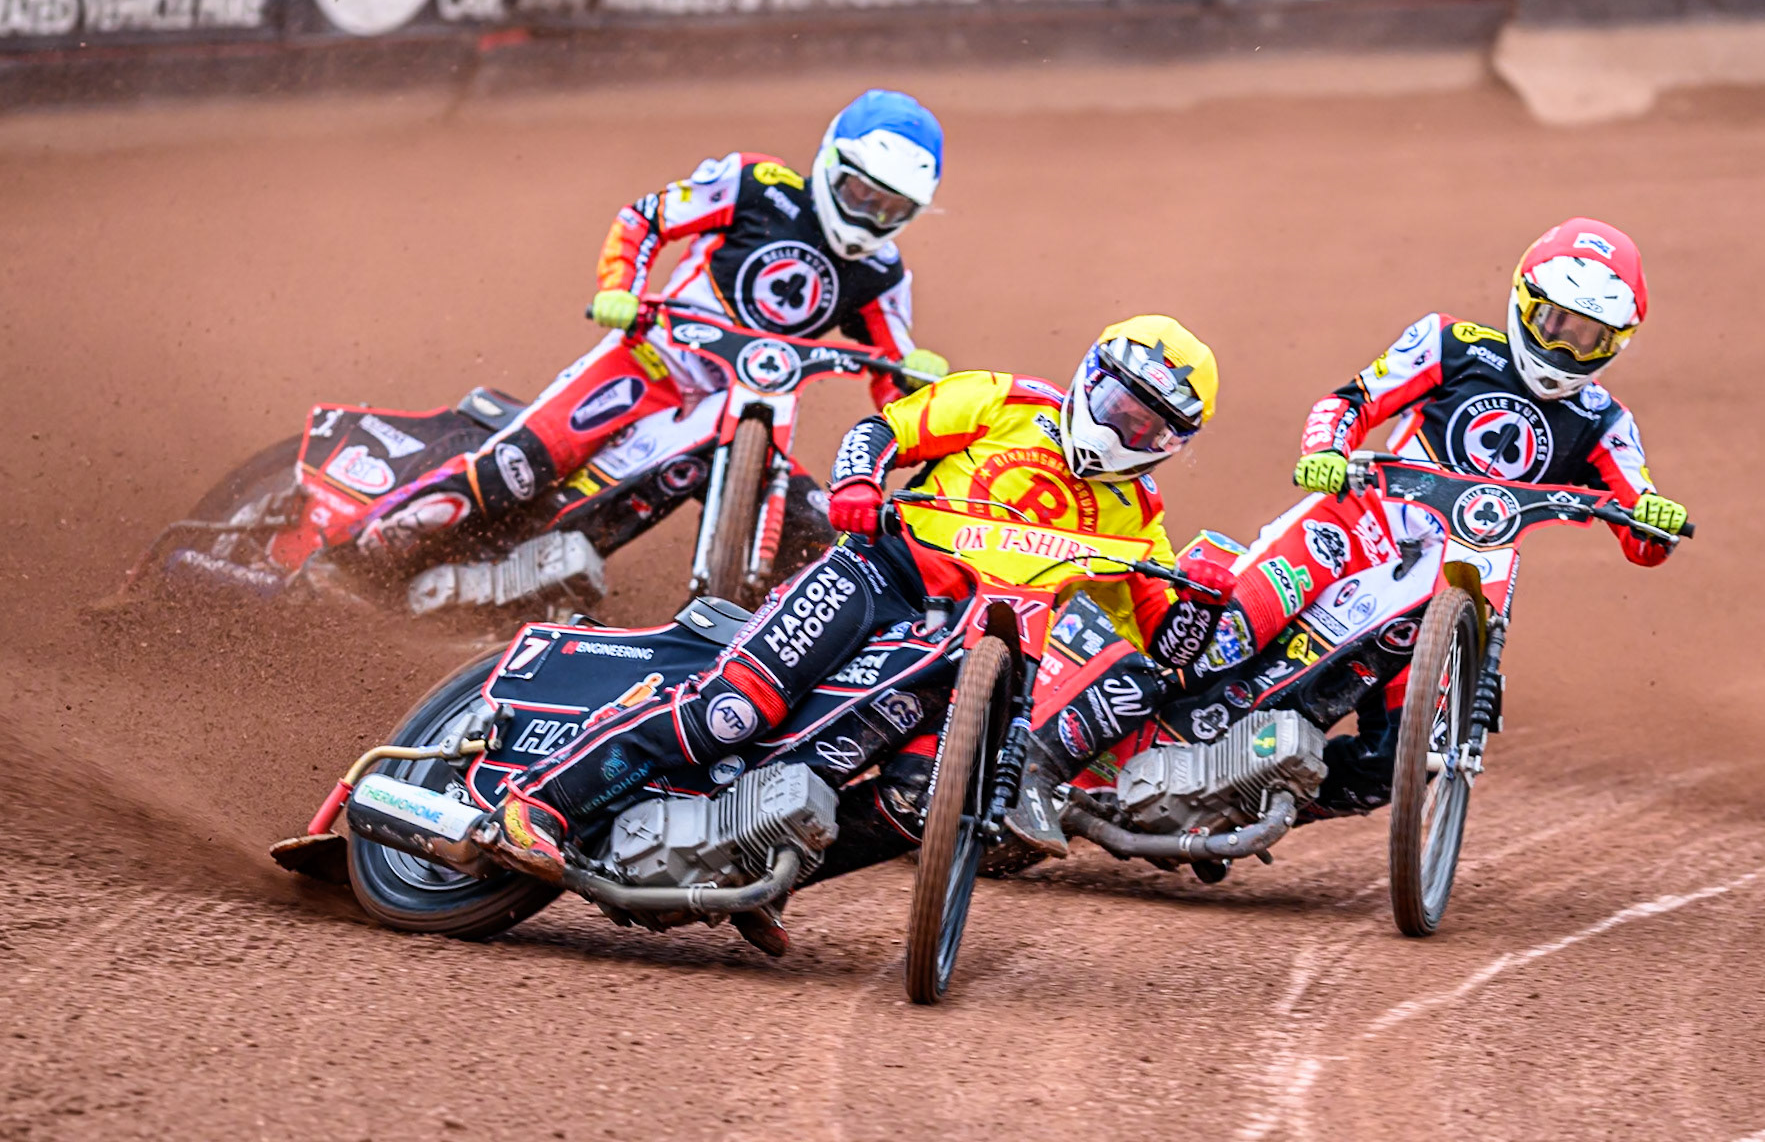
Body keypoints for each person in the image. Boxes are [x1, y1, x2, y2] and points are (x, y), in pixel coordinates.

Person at [474, 315, 1238, 949]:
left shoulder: (1140, 522)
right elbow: (881, 431)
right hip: (878, 577)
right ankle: (540, 803)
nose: (1122, 426)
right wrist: (856, 485)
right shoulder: (1002, 401)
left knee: (914, 803)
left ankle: (758, 878)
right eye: (1117, 402)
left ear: (1170, 443)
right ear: (1089, 378)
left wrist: (1202, 601)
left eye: (1146, 424)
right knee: (733, 711)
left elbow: (1161, 654)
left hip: (971, 654)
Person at [1202, 217, 1690, 815]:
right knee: (1229, 633)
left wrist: (1656, 520)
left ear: (1614, 344)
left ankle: (1247, 801)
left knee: (1402, 764)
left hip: (1466, 572)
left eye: (1586, 337)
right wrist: (1325, 452)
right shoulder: (1449, 343)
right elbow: (1351, 400)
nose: (1563, 346)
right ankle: (1105, 731)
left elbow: (1642, 529)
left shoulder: (1605, 422)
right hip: (1361, 523)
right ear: (1523, 302)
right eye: (1554, 322)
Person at [351, 89, 951, 558]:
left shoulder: (882, 274)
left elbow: (892, 369)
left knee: (817, 539)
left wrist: (919, 383)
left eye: (892, 208)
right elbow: (647, 218)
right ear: (830, 160)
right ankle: (356, 549)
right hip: (652, 360)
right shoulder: (756, 185)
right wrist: (620, 291)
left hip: (746, 415)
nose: (870, 216)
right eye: (860, 192)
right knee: (520, 465)